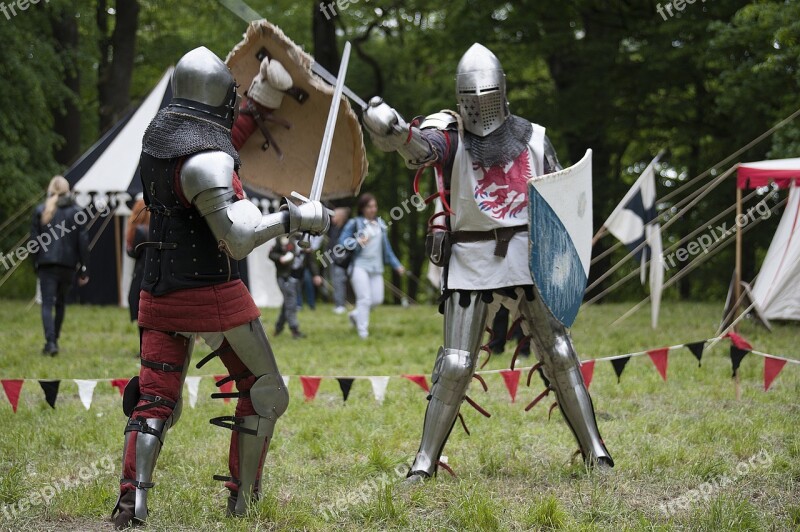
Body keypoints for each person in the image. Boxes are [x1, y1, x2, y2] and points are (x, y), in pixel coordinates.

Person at [363, 43, 613, 482]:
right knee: (457, 362)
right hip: (470, 257)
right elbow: (420, 149)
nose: (480, 107)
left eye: (488, 97)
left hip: (528, 254)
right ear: (460, 98)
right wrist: (395, 130)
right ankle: (425, 461)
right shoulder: (450, 136)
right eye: (471, 99)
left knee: (559, 350)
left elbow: (559, 197)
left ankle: (595, 450)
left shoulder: (534, 137)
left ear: (503, 91)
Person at [110, 47, 329, 528]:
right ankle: (242, 502)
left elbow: (220, 165)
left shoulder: (158, 141)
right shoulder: (206, 159)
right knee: (266, 390)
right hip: (211, 292)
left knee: (154, 400)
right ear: (218, 100)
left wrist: (260, 104)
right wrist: (297, 218)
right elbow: (237, 238)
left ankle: (132, 503)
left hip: (158, 291)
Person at [30, 176, 89, 356]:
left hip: (46, 264)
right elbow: (83, 242)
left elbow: (34, 242)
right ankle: (53, 340)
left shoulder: (40, 210)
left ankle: (50, 342)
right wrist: (83, 267)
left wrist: (35, 263)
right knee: (61, 303)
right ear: (68, 190)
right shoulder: (77, 212)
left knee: (47, 304)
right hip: (67, 266)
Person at [338, 193, 404, 339]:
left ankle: (355, 315)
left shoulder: (380, 225)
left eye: (374, 206)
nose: (373, 209)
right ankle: (363, 333)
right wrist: (357, 242)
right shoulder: (355, 223)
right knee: (364, 299)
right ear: (362, 208)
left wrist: (397, 265)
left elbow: (387, 249)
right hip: (359, 266)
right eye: (369, 206)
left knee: (377, 300)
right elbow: (341, 243)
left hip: (376, 267)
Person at [269, 235, 319, 338]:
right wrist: (280, 258)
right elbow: (271, 254)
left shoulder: (306, 241)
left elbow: (310, 261)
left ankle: (278, 328)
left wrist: (315, 275)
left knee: (287, 303)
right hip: (285, 277)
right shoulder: (283, 239)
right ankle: (294, 330)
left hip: (297, 278)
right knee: (291, 302)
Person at [126, 197, 150, 324]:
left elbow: (133, 253)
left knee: (134, 298)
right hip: (151, 271)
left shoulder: (140, 230)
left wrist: (128, 247)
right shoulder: (153, 229)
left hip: (141, 271)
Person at [327, 207, 351, 314]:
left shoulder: (344, 229)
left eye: (334, 215)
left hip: (340, 260)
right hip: (333, 257)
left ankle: (340, 305)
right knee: (336, 282)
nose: (332, 218)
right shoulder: (334, 228)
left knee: (339, 281)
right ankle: (338, 304)